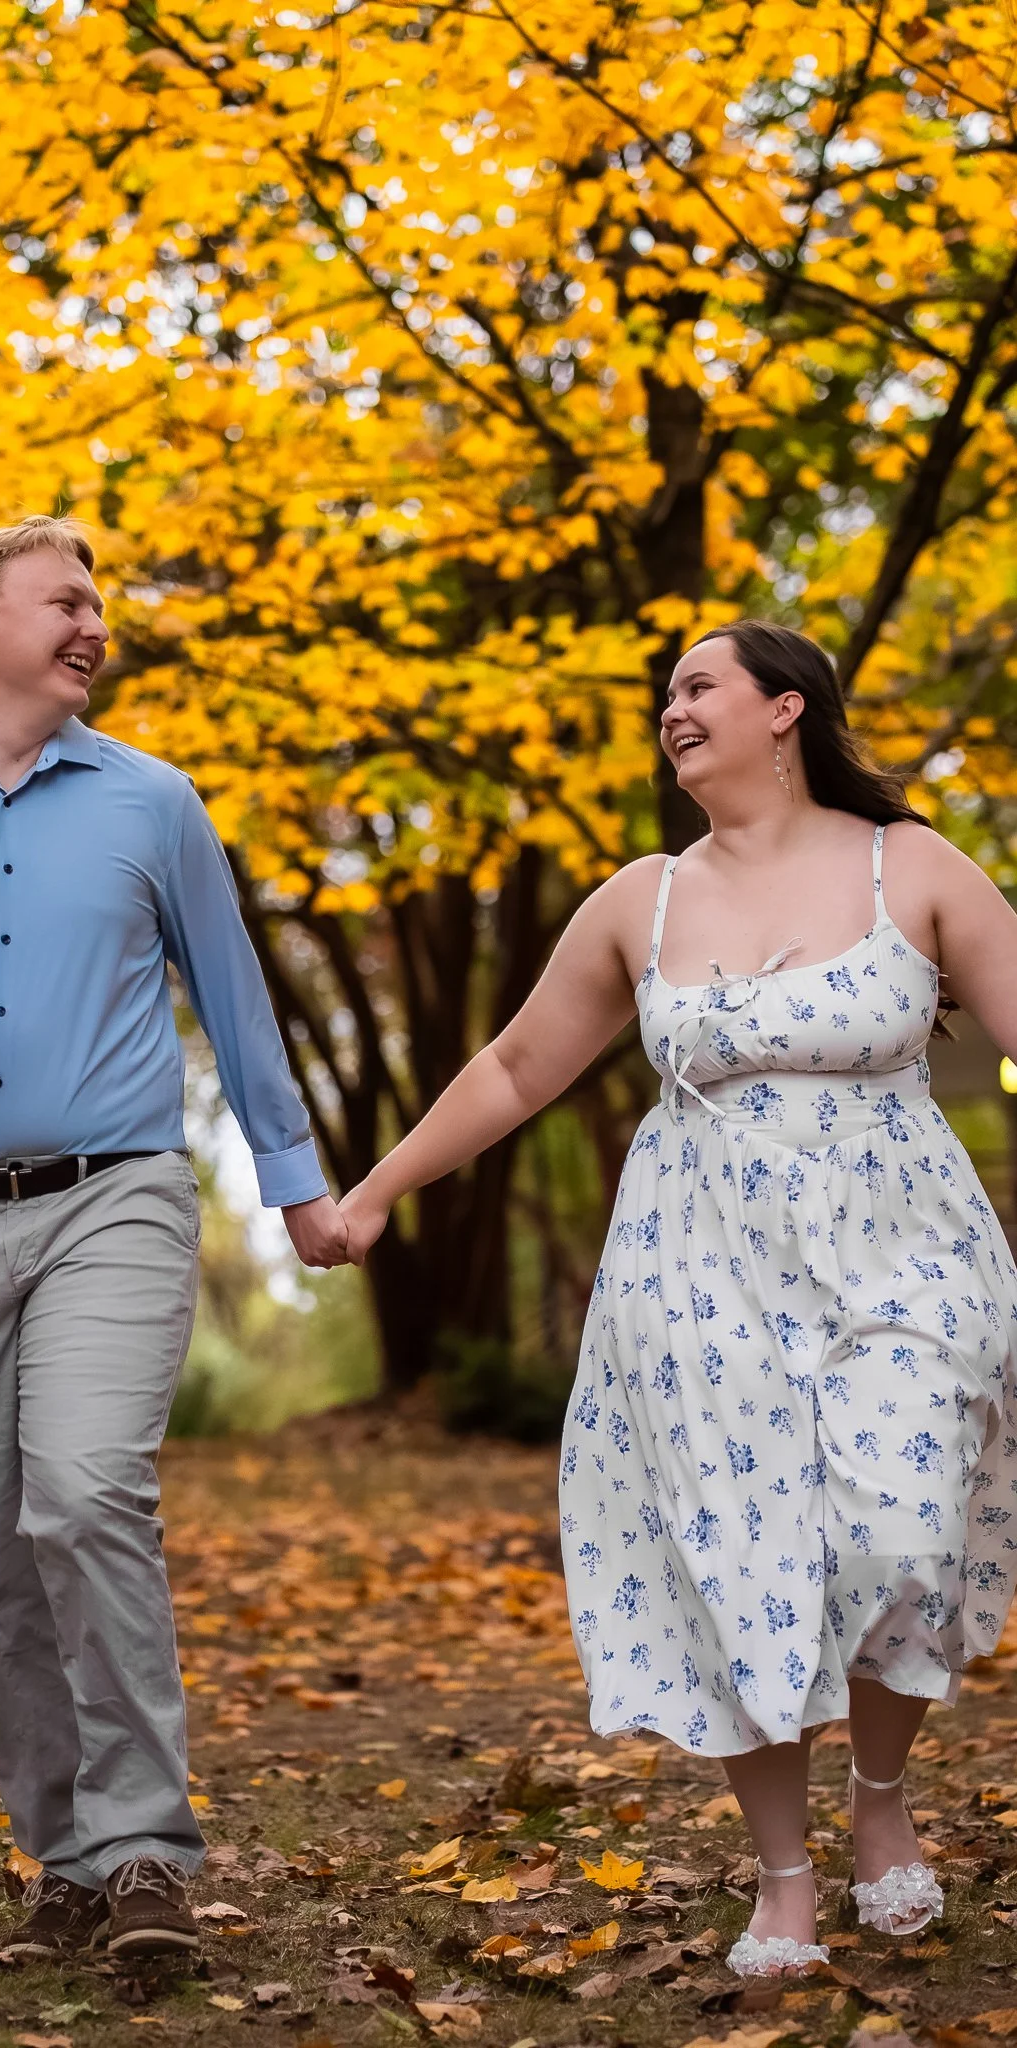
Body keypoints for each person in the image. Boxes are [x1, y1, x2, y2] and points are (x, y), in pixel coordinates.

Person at [338, 620, 1017, 1976]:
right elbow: (519, 1069)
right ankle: (782, 1878)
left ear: (785, 710)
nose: (672, 707)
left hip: (907, 1246)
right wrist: (376, 1192)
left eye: (698, 685)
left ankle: (879, 1798)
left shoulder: (914, 865)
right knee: (743, 1560)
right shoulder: (638, 899)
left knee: (904, 1525)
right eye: (665, 691)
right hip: (695, 1271)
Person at [0, 514, 347, 1960]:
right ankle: (71, 1857)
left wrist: (298, 1194)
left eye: (100, 606)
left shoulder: (155, 804)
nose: (98, 626)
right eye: (70, 601)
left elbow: (234, 997)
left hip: (116, 1194)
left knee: (86, 1493)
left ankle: (150, 1847)